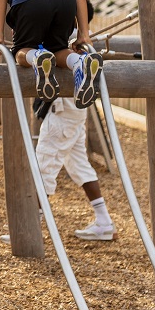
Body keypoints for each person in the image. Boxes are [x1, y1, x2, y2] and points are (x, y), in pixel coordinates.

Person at [35, 96, 117, 240]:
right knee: (79, 165)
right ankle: (104, 222)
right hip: (75, 112)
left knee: (43, 168)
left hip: (62, 114)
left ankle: (30, 227)